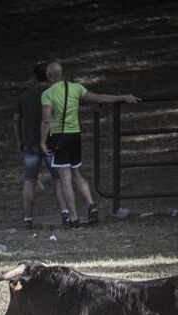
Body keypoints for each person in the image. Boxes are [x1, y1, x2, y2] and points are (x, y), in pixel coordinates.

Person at [40, 61, 139, 227]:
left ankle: (73, 217)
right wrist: (123, 97)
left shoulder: (47, 94)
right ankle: (91, 204)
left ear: (48, 76)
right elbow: (100, 98)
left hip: (59, 137)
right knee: (77, 173)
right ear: (61, 74)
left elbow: (46, 119)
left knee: (65, 178)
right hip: (75, 135)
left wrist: (42, 142)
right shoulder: (76, 88)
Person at [15, 62, 67, 229]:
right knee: (59, 179)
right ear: (50, 75)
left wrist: (19, 139)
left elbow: (16, 118)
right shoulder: (54, 93)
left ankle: (28, 218)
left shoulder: (24, 95)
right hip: (52, 142)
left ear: (35, 76)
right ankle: (65, 212)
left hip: (30, 142)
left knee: (30, 180)